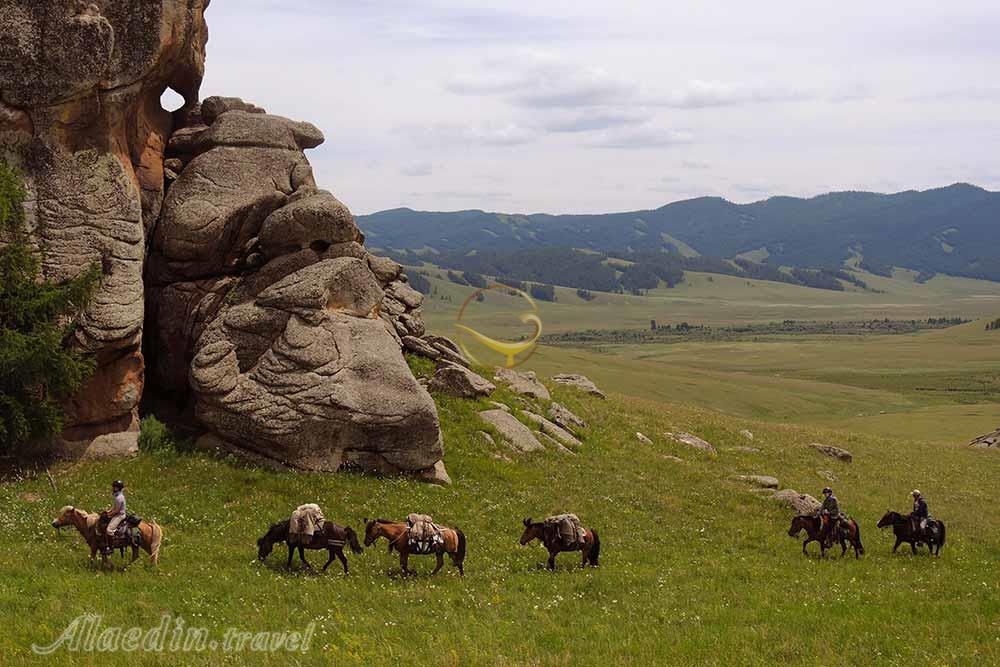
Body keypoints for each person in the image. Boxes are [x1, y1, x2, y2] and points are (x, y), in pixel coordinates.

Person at [104, 480, 127, 555]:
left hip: (120, 515)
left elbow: (117, 510)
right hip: (116, 513)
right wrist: (107, 512)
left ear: (118, 488)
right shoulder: (117, 496)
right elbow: (114, 508)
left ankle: (111, 548)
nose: (112, 488)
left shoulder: (119, 498)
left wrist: (109, 515)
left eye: (114, 487)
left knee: (109, 530)